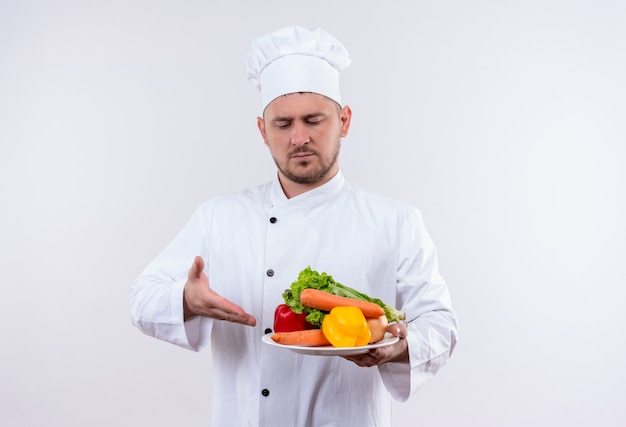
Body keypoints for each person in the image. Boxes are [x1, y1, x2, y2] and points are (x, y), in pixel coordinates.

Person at [131, 25, 458, 427]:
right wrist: (185, 299)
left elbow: (440, 323)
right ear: (262, 132)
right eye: (283, 124)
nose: (299, 137)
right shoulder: (219, 217)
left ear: (345, 120)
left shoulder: (395, 222)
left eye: (314, 120)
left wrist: (398, 348)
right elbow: (142, 298)